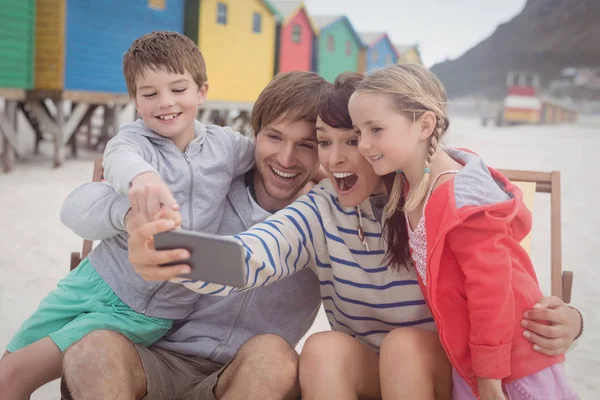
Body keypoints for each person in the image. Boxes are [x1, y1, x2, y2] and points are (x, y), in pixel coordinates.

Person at [132, 73, 584, 400]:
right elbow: (256, 254)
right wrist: (172, 253)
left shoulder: (429, 200)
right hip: (373, 371)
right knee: (324, 348)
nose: (338, 158)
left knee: (405, 346)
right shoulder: (321, 208)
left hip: (455, 370)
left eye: (356, 139)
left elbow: (501, 280)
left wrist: (571, 320)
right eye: (324, 142)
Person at [0, 30, 261, 400]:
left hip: (140, 312)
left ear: (202, 92)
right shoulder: (132, 142)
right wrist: (143, 180)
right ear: (135, 100)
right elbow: (120, 160)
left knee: (14, 375)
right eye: (149, 93)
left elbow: (270, 158)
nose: (165, 102)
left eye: (178, 89)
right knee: (7, 369)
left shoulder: (227, 147)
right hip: (91, 281)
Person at [56, 69, 331, 399]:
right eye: (274, 137)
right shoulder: (208, 181)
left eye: (306, 145)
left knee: (274, 356)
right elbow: (77, 205)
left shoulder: (326, 215)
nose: (286, 158)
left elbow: (250, 260)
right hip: (156, 357)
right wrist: (132, 216)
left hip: (245, 376)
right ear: (254, 133)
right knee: (93, 349)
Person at [349, 63, 579, 400]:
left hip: (512, 361)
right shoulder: (413, 182)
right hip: (471, 357)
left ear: (425, 124)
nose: (364, 145)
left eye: (376, 130)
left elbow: (491, 288)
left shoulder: (458, 197)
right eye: (359, 132)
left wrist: (488, 376)